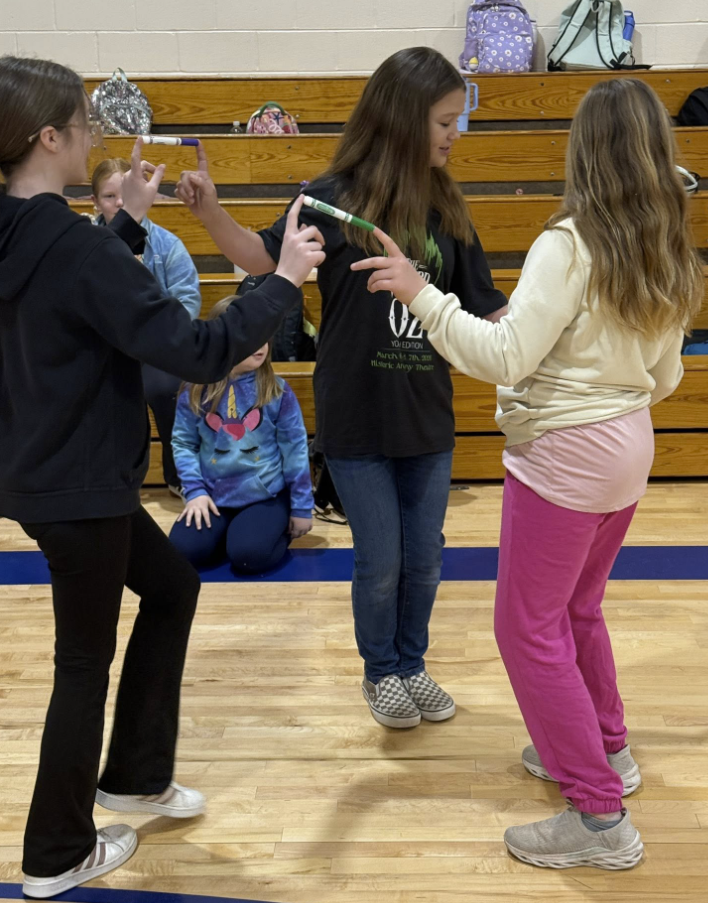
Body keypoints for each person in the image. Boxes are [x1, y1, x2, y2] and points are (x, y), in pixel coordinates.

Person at [353, 78, 703, 869]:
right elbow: (663, 375)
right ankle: (606, 751)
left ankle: (598, 816)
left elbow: (502, 356)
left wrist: (423, 294)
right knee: (578, 609)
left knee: (526, 628)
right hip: (628, 448)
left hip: (569, 457)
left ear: (585, 149)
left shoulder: (569, 242)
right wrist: (591, 375)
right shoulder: (663, 241)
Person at [0, 55, 324, 898]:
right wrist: (281, 279)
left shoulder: (28, 231)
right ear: (49, 138)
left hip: (45, 475)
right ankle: (54, 851)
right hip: (80, 485)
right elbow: (199, 350)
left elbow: (67, 285)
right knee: (82, 662)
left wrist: (129, 225)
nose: (94, 134)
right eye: (82, 122)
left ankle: (136, 775)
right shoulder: (71, 243)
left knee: (173, 585)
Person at [176, 47, 508, 729]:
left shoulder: (449, 207)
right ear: (403, 118)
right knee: (380, 560)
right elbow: (261, 258)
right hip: (357, 422)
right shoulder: (328, 198)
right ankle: (381, 670)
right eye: (444, 121)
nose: (453, 134)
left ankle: (412, 662)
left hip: (428, 421)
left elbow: (487, 308)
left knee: (425, 559)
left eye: (457, 121)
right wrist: (211, 213)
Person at [169, 296, 313, 574]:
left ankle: (260, 530)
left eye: (263, 336)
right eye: (248, 339)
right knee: (183, 553)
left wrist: (301, 508)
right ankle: (231, 532)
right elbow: (183, 443)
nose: (259, 346)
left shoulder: (277, 391)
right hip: (214, 496)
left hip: (265, 495)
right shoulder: (195, 390)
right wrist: (195, 492)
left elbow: (295, 451)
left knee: (249, 556)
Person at [92, 157, 201, 497]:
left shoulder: (167, 245)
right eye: (109, 197)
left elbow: (187, 303)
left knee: (164, 388)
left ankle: (176, 474)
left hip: (154, 349)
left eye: (124, 194)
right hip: (101, 347)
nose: (120, 204)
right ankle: (103, 477)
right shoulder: (85, 244)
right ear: (95, 202)